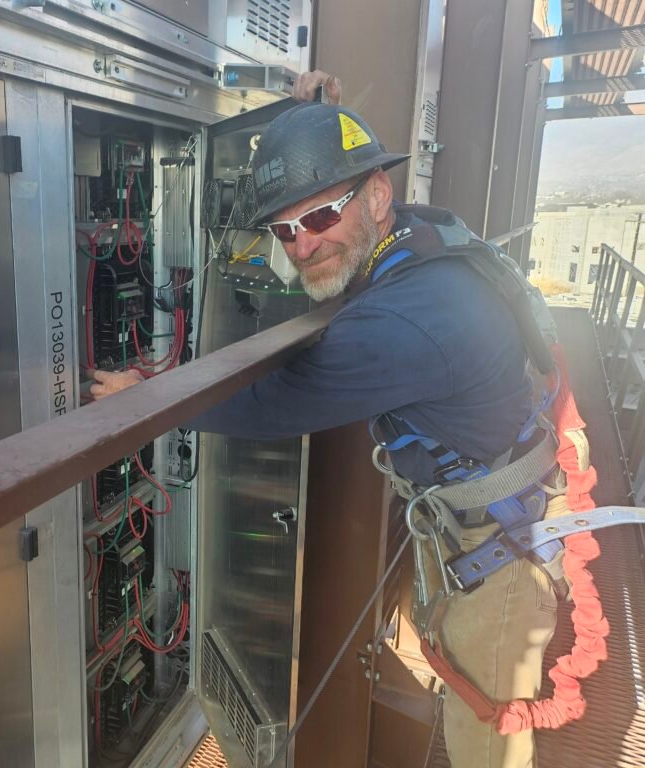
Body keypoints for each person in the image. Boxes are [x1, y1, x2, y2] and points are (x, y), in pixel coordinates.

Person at [90, 72, 562, 768]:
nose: (300, 245)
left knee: (486, 739)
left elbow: (270, 402)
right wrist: (320, 125)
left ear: (377, 194)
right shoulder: (414, 238)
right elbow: (324, 244)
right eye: (285, 228)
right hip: (492, 531)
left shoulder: (402, 321)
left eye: (317, 219)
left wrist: (140, 396)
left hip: (500, 574)